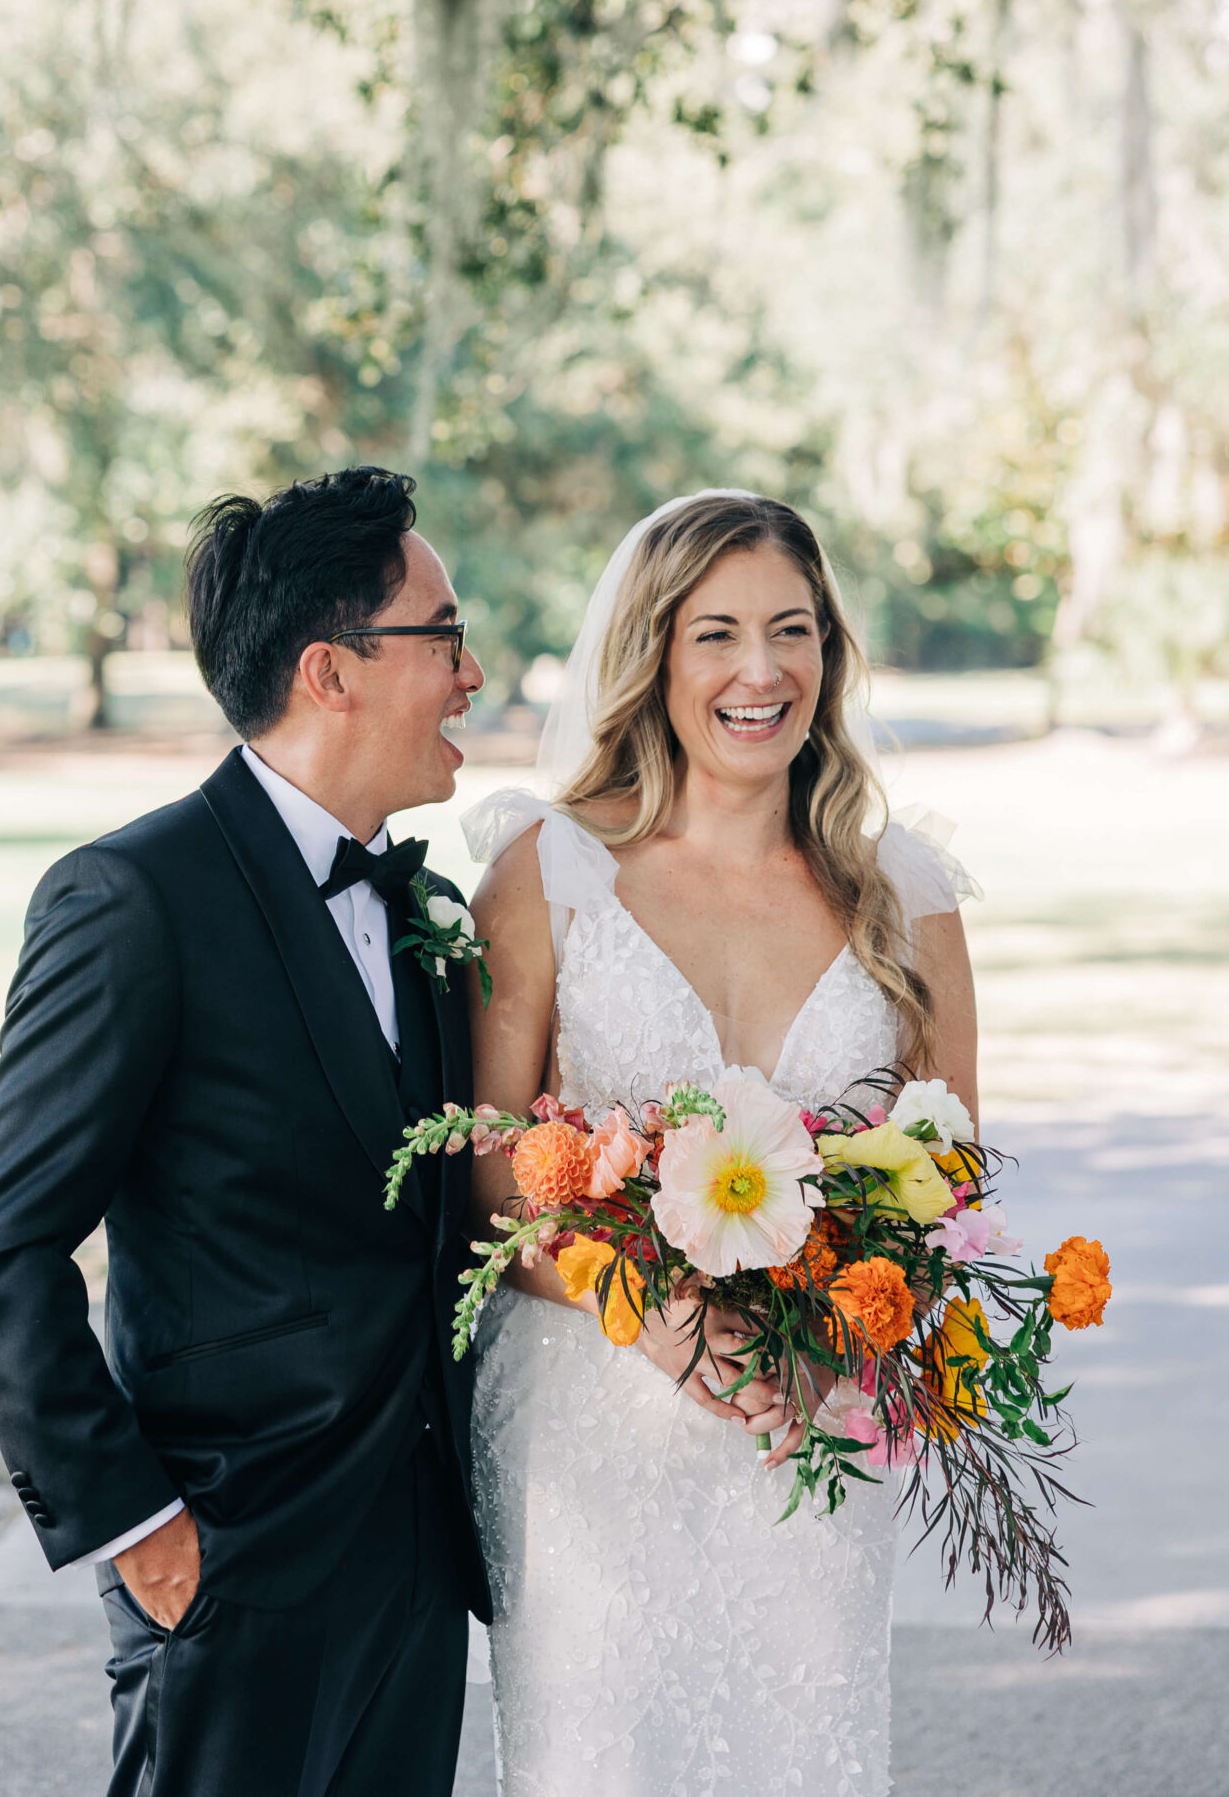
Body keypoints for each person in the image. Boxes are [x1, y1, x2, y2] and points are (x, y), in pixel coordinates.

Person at [0, 466, 491, 1797]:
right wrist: (136, 1523)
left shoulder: (436, 916)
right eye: (446, 635)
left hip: (412, 1562)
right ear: (333, 671)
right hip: (226, 1560)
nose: (474, 676)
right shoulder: (133, 899)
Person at [464, 489, 980, 1797]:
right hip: (594, 1416)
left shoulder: (902, 895)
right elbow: (487, 1169)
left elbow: (949, 1175)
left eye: (793, 631)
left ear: (830, 654)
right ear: (654, 653)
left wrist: (841, 1330)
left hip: (807, 1425)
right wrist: (654, 1314)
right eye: (719, 634)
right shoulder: (549, 872)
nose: (763, 672)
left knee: (797, 1751)